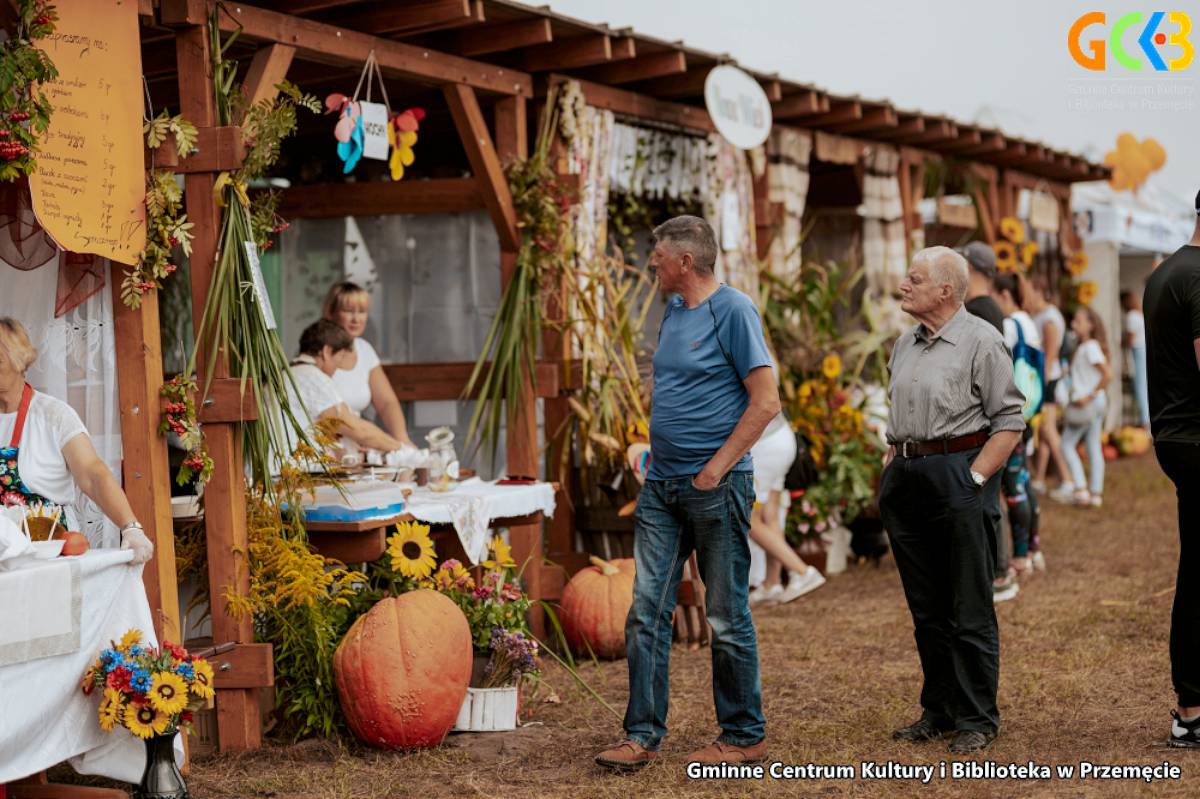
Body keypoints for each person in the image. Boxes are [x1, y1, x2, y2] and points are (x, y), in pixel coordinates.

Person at [595, 216, 779, 770]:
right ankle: (641, 735)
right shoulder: (674, 310)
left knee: (724, 613)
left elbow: (766, 402)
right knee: (645, 612)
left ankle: (744, 735)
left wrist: (715, 470)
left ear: (685, 261)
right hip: (662, 485)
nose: (650, 264)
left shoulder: (734, 310)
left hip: (715, 486)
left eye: (657, 256)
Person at [879, 247, 1025, 755]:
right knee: (927, 607)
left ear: (945, 290)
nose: (904, 285)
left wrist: (975, 477)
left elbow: (1009, 422)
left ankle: (976, 717)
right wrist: (892, 465)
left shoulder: (982, 341)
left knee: (969, 604)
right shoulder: (904, 343)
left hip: (959, 474)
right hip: (907, 478)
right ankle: (938, 710)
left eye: (914, 279)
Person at [0, 318, 153, 561]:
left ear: (19, 361)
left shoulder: (53, 415)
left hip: (51, 556)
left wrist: (130, 527)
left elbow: (92, 475)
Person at [1142, 192, 1200, 747]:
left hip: (1173, 436)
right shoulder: (1199, 276)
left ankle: (1192, 706)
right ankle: (1192, 710)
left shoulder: (1165, 273)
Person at [957, 242, 1016, 603]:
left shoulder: (980, 311)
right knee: (990, 500)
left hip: (984, 420)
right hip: (989, 417)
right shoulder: (988, 307)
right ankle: (999, 570)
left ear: (969, 268)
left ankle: (998, 572)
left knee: (987, 503)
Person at [289, 319, 406, 456]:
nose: (338, 366)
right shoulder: (314, 378)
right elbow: (359, 430)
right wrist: (401, 449)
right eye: (340, 357)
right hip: (291, 466)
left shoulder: (292, 373)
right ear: (326, 351)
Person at [746, 405, 825, 606]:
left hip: (762, 443)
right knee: (770, 516)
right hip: (781, 435)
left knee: (748, 518)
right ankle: (772, 583)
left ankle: (802, 571)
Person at [992, 274, 1043, 576]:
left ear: (1003, 295)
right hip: (1029, 409)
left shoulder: (1010, 325)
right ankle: (1033, 548)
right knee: (1023, 481)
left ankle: (1021, 556)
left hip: (1013, 412)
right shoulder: (1028, 322)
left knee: (1013, 487)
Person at [322, 282, 413, 446]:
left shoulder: (364, 349)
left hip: (357, 444)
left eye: (362, 312)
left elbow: (387, 403)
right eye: (348, 311)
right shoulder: (318, 352)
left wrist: (402, 439)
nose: (356, 319)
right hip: (324, 446)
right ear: (331, 312)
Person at [1050, 306, 1111, 508]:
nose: (1073, 324)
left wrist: (1088, 396)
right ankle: (1095, 493)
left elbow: (1107, 374)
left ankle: (1080, 489)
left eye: (1078, 321)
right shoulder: (1086, 347)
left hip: (1089, 403)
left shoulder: (1090, 347)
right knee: (1093, 445)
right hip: (1096, 402)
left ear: (1091, 325)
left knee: (1066, 444)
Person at [1026, 275, 1070, 493]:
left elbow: (1050, 354)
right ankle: (1040, 478)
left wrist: (1040, 384)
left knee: (1048, 430)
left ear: (1038, 291)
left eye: (1029, 290)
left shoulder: (1049, 317)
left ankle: (1068, 479)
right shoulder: (1040, 315)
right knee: (1045, 431)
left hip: (1047, 379)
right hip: (1045, 377)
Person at [1122, 290, 1151, 429]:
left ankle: (1145, 420)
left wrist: (1122, 342)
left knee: (1139, 385)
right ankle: (1145, 417)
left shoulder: (1131, 315)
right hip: (1144, 348)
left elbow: (1130, 339)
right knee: (1143, 384)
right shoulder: (1140, 314)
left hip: (1137, 351)